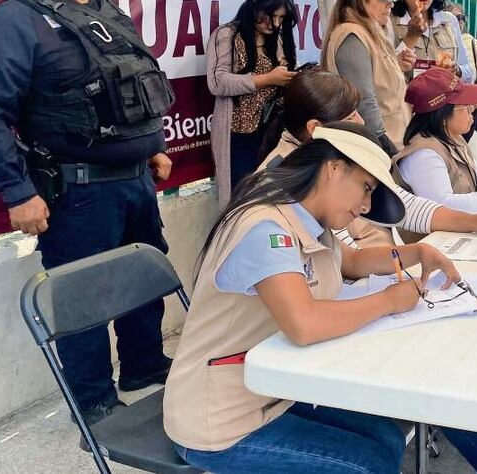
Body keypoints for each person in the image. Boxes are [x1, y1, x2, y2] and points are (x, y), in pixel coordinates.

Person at [0, 0, 175, 424]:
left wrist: (153, 146)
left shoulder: (104, 8)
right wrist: (16, 191)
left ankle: (144, 366)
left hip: (133, 183)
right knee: (83, 300)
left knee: (144, 283)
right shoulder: (13, 23)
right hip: (77, 194)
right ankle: (95, 403)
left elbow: (130, 84)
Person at [163, 122, 460, 472]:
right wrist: (388, 301)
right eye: (365, 188)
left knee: (389, 439)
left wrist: (414, 253)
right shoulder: (267, 227)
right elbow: (304, 324)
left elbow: (350, 263)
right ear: (333, 168)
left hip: (274, 392)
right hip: (221, 419)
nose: (366, 205)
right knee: (368, 466)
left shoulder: (308, 219)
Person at [257, 67, 477, 248]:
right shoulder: (284, 178)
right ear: (315, 128)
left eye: (357, 112)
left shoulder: (336, 153)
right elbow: (339, 255)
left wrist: (473, 221)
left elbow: (408, 206)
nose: (361, 122)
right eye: (349, 118)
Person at [207, 0, 298, 208]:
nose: (275, 23)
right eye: (270, 16)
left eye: (281, 18)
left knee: (267, 201)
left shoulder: (275, 38)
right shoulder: (226, 35)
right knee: (241, 202)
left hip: (270, 135)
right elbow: (217, 83)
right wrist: (268, 79)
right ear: (254, 6)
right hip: (238, 136)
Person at [394, 68, 477, 213]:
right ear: (442, 116)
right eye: (466, 106)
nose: (474, 109)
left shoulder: (453, 138)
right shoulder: (423, 155)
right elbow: (441, 207)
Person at [321, 0, 414, 153]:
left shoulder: (368, 31)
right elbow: (363, 101)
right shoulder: (352, 36)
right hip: (374, 149)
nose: (391, 3)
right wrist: (385, 148)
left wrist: (394, 66)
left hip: (392, 142)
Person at [390, 0, 474, 83]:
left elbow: (469, 73)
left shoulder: (449, 21)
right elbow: (386, 73)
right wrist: (411, 36)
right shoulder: (390, 22)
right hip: (407, 101)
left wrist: (457, 70)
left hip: (446, 100)